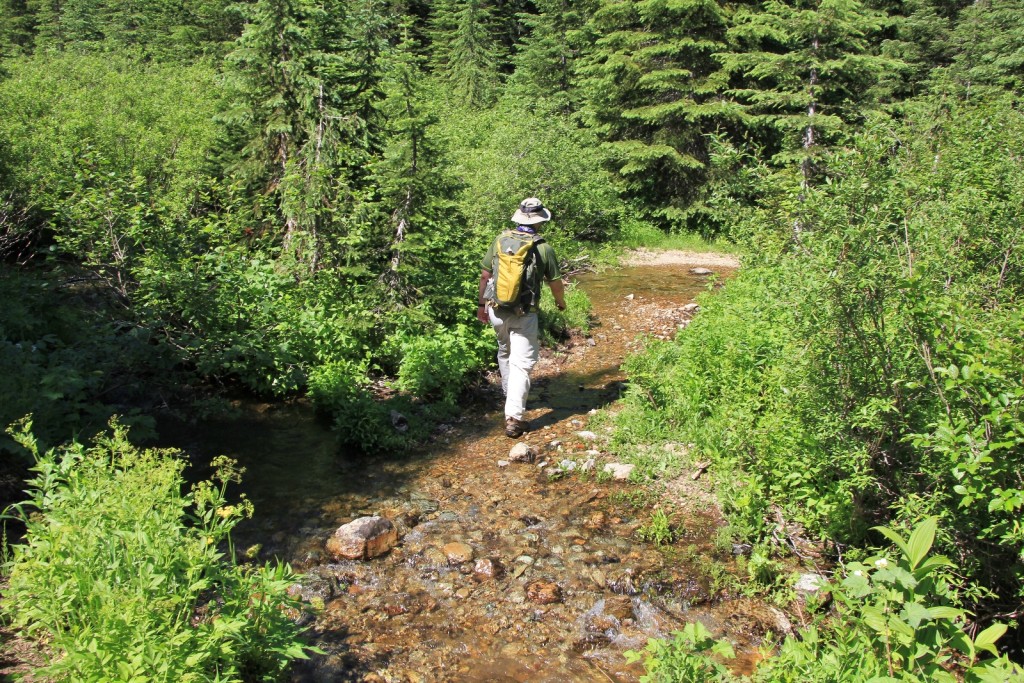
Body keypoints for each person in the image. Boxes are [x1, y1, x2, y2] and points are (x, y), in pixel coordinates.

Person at [476, 197, 566, 438]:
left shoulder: (500, 239)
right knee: (522, 365)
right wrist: (560, 302)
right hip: (525, 313)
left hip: (496, 309)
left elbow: (485, 275)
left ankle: (509, 398)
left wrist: (481, 305)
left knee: (505, 352)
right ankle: (514, 418)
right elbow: (555, 283)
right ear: (540, 222)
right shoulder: (543, 248)